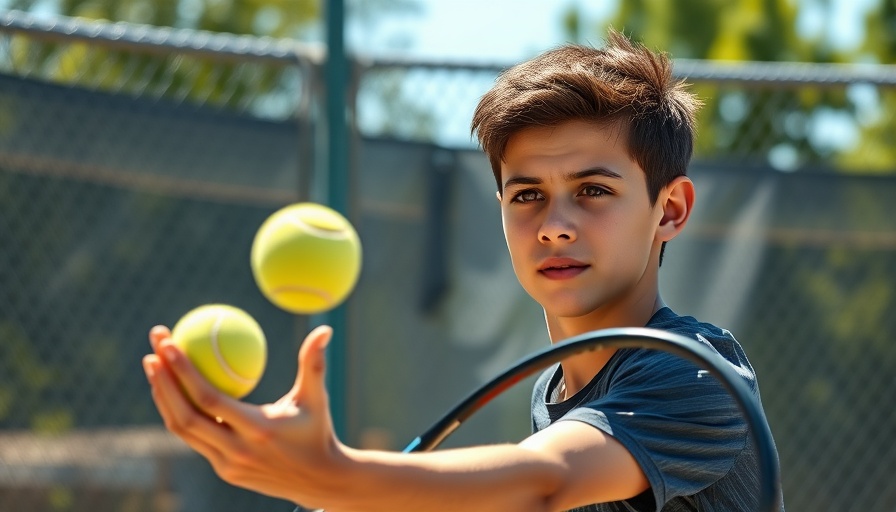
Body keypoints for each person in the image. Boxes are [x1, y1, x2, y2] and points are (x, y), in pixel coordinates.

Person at [143, 29, 782, 511]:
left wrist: (336, 475)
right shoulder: (554, 392)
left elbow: (545, 483)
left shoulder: (697, 372)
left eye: (592, 189)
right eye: (526, 194)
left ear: (669, 209)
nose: (554, 224)